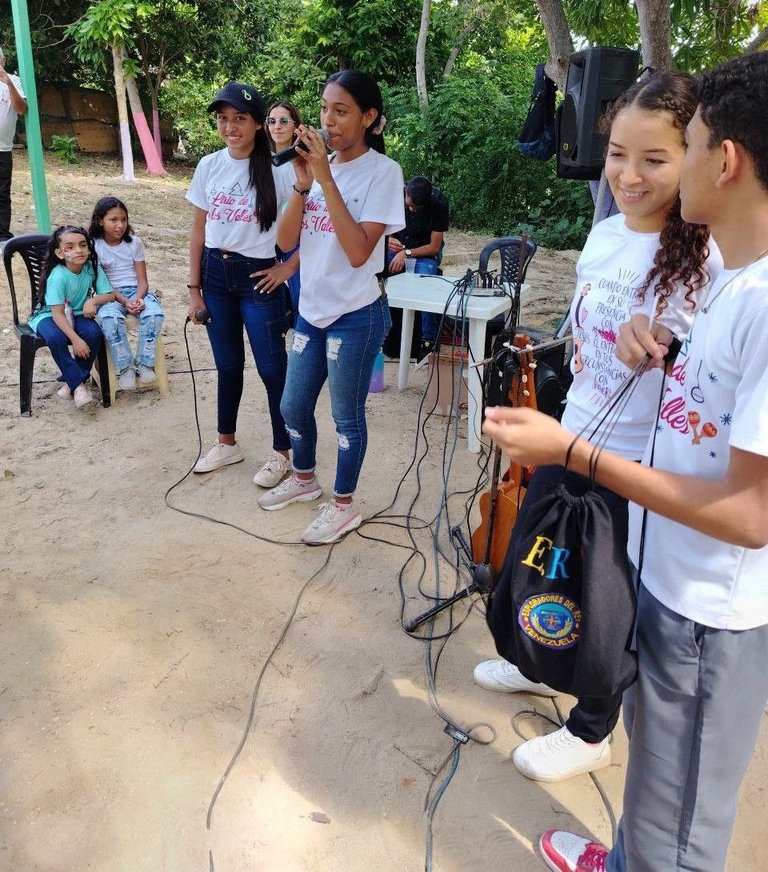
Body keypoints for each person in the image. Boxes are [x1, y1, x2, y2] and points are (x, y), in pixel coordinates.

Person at [483, 52, 768, 872]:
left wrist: (569, 450)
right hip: (670, 575)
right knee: (661, 788)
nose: (632, 176)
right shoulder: (731, 283)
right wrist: (659, 345)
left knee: (682, 824)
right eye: (620, 153)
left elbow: (750, 515)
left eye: (680, 146)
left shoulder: (746, 287)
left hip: (709, 608)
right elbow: (712, 402)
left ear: (722, 158)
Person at [258, 70, 405, 544]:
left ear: (369, 117)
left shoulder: (383, 173)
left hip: (356, 317)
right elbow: (284, 243)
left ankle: (342, 505)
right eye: (324, 109)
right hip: (311, 312)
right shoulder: (313, 172)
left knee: (346, 418)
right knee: (292, 406)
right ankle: (304, 480)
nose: (328, 120)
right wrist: (304, 185)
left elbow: (360, 251)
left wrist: (325, 177)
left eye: (341, 111)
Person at [186, 81, 296, 488]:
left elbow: (316, 229)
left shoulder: (280, 169)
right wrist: (194, 289)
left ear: (256, 124)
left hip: (259, 277)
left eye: (239, 119)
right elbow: (198, 231)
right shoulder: (209, 165)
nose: (230, 127)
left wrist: (288, 268)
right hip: (216, 276)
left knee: (272, 369)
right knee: (228, 365)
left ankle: (282, 452)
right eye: (223, 119)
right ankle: (226, 442)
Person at [28, 226, 114, 408]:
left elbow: (110, 295)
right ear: (59, 253)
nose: (78, 250)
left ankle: (71, 383)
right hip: (48, 316)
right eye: (70, 247)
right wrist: (75, 340)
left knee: (94, 333)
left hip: (77, 313)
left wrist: (93, 301)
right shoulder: (58, 276)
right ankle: (79, 386)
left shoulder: (91, 268)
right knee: (55, 336)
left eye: (83, 245)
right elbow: (57, 314)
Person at [89, 196, 165, 389]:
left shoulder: (135, 243)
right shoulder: (94, 246)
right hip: (110, 295)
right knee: (109, 319)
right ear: (100, 221)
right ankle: (125, 368)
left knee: (155, 314)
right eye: (113, 220)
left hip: (137, 292)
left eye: (123, 220)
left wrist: (138, 299)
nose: (120, 225)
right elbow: (103, 285)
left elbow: (143, 282)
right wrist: (124, 301)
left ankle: (144, 363)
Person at [387, 176, 449, 359]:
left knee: (427, 280)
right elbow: (378, 229)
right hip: (395, 248)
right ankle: (381, 333)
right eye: (409, 206)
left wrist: (406, 254)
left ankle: (427, 341)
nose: (412, 210)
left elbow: (434, 247)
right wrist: (386, 240)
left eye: (417, 208)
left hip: (424, 253)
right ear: (405, 191)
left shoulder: (439, 203)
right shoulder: (392, 194)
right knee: (375, 270)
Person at [266, 100, 303, 318]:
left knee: (300, 298)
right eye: (272, 121)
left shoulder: (306, 163)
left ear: (295, 126)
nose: (277, 126)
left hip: (296, 241)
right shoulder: (259, 162)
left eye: (283, 121)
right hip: (266, 239)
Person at [0, 46, 27, 241]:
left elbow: (21, 109)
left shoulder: (14, 81)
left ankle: (2, 236)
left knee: (2, 194)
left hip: (3, 148)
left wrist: (8, 83)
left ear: (3, 60)